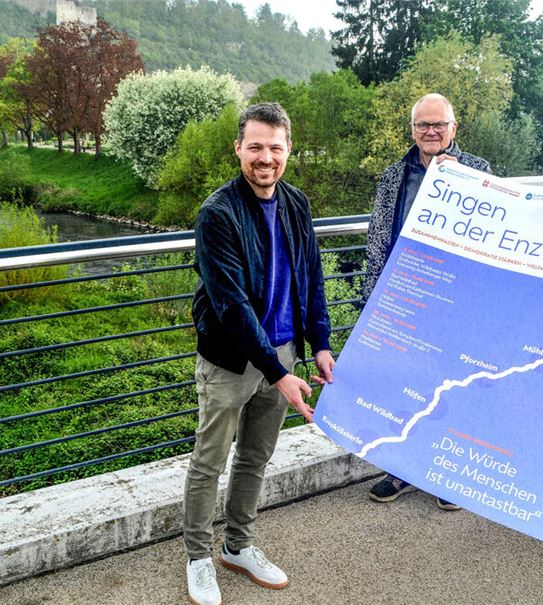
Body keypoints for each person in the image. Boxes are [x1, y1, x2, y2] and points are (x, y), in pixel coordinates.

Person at [183, 102, 335, 605]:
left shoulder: (296, 202)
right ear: (238, 149)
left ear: (288, 149)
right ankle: (199, 558)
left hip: (285, 353)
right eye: (255, 147)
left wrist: (320, 344)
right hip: (231, 360)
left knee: (255, 458)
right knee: (209, 461)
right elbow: (230, 303)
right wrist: (277, 373)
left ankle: (238, 545)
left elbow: (311, 277)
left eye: (275, 147)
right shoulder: (216, 213)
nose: (265, 157)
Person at [362, 93, 490, 510]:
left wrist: (466, 182)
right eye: (423, 125)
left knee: (451, 387)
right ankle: (402, 469)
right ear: (412, 129)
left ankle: (446, 477)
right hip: (405, 297)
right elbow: (378, 238)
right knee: (406, 387)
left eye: (439, 124)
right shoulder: (393, 175)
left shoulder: (479, 171)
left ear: (455, 128)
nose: (431, 132)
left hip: (458, 303)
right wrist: (372, 298)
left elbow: (497, 231)